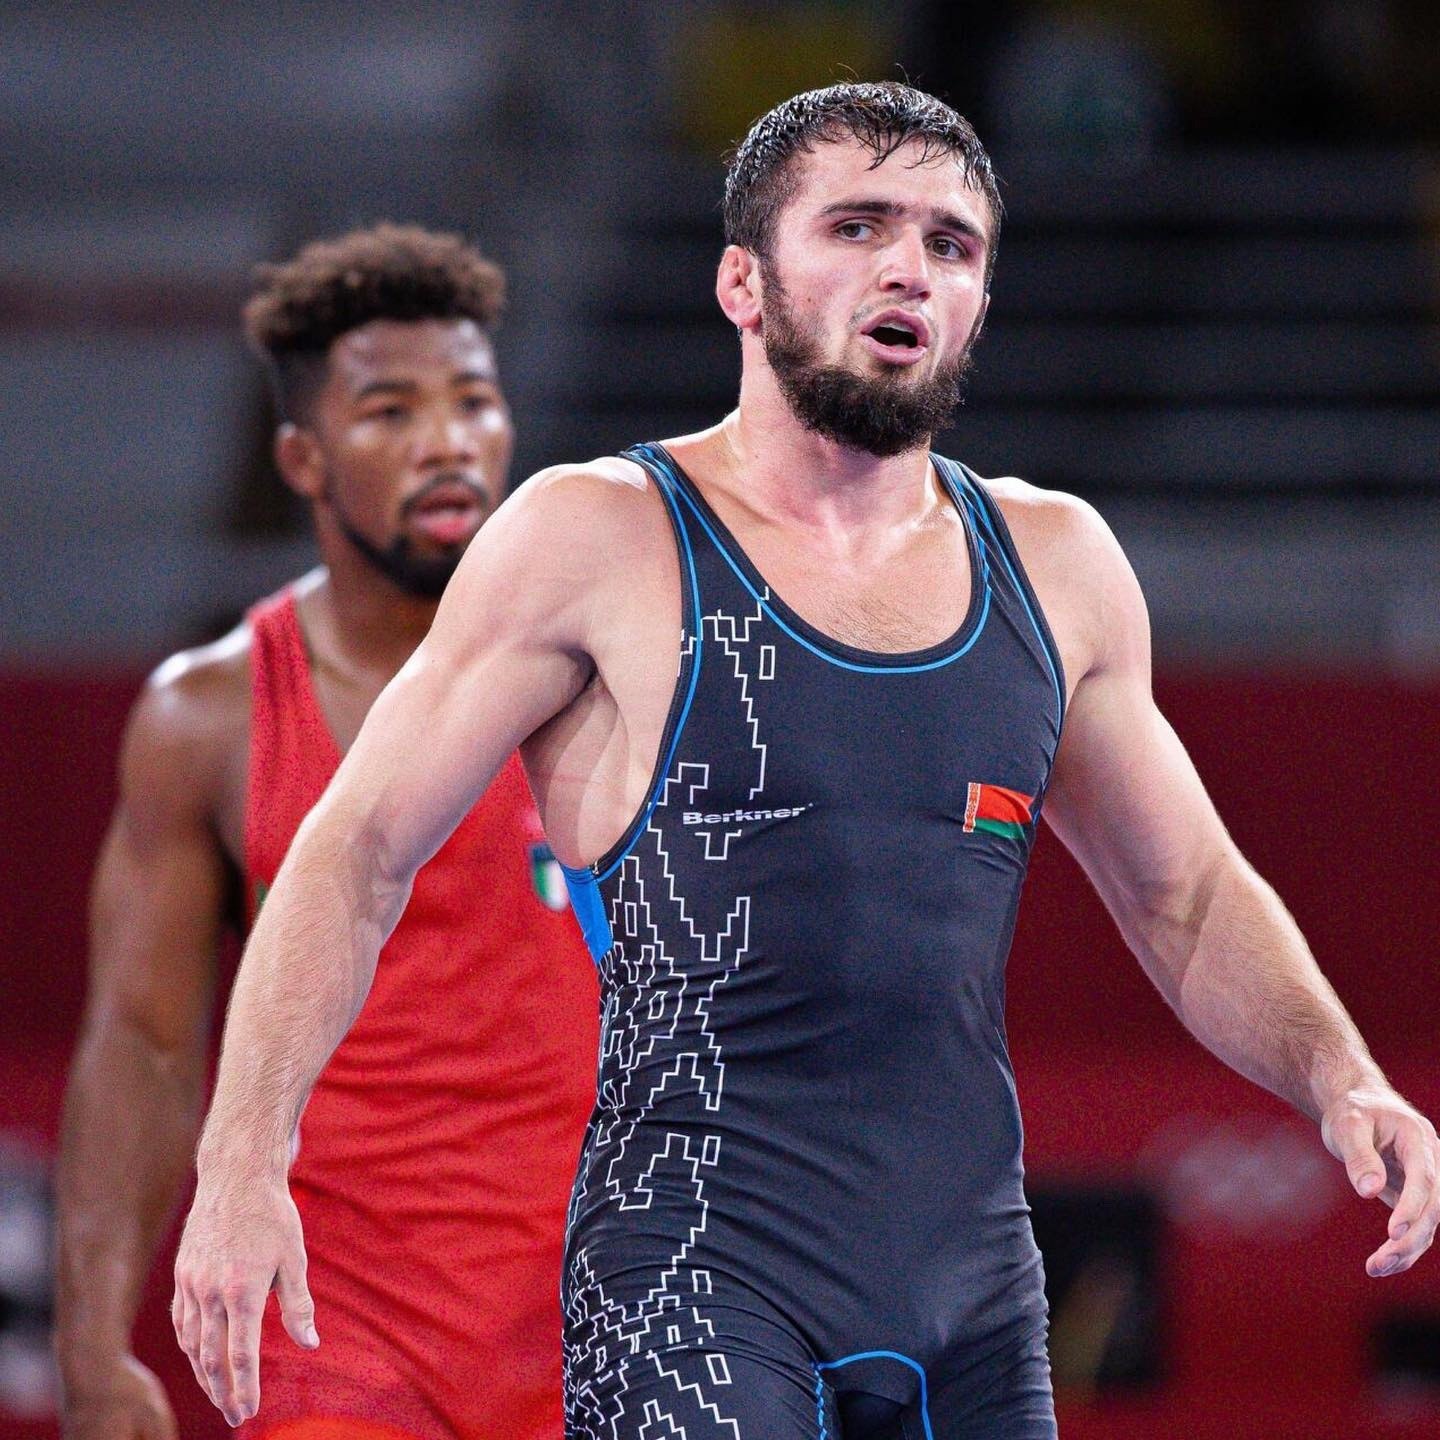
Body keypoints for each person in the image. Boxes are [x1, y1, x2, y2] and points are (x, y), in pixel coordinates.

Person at [172, 85, 1439, 1440]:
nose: (909, 269)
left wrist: (1338, 1071)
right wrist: (244, 1160)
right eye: (857, 227)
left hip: (974, 1289)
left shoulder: (1057, 564)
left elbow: (1184, 896)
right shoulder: (599, 538)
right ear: (742, 283)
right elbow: (354, 852)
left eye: (950, 244)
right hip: (692, 1278)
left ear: (980, 301)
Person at [54, 224, 598, 1440]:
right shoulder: (208, 718)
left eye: (473, 401)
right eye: (391, 411)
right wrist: (90, 1347)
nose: (447, 441)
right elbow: (142, 1049)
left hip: (597, 1318)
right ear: (302, 458)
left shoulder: (612, 672)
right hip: (333, 1330)